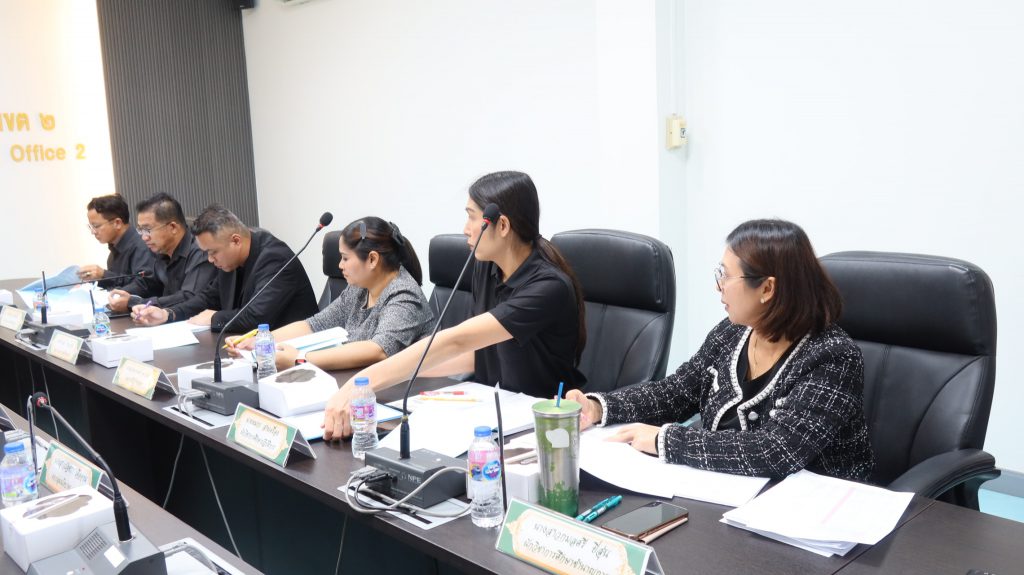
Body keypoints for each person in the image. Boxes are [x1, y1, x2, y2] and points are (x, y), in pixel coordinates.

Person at [566, 219, 874, 481]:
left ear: (767, 288)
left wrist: (666, 440)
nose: (718, 286)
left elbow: (776, 451)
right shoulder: (732, 332)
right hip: (727, 492)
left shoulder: (833, 357)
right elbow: (675, 393)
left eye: (725, 275)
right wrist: (598, 407)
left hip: (812, 510)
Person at [321, 171, 587, 440]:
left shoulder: (548, 286)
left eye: (472, 217)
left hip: (545, 426)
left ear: (503, 226)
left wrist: (361, 384)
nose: (465, 229)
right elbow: (475, 354)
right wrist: (386, 375)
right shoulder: (487, 267)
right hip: (495, 410)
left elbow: (458, 341)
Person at [227, 217, 433, 371]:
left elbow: (378, 350)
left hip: (399, 394)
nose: (340, 265)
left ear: (372, 259)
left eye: (345, 258)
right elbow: (315, 324)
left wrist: (301, 359)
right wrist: (262, 340)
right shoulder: (359, 289)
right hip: (358, 382)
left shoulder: (404, 295)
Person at [132, 204, 318, 332]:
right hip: (248, 346)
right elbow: (209, 297)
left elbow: (256, 317)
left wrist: (214, 318)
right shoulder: (230, 260)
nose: (210, 259)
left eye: (213, 252)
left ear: (235, 241)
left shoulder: (275, 259)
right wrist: (168, 314)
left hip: (291, 353)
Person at [106, 193, 216, 313]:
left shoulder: (201, 249)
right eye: (141, 230)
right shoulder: (161, 250)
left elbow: (188, 297)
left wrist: (135, 303)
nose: (144, 237)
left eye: (147, 229)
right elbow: (148, 284)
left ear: (173, 227)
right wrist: (121, 296)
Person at [78, 194, 155, 288]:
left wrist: (104, 275)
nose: (93, 232)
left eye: (96, 226)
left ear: (117, 223)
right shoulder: (113, 253)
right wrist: (96, 280)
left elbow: (144, 285)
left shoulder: (142, 246)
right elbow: (118, 287)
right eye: (90, 227)